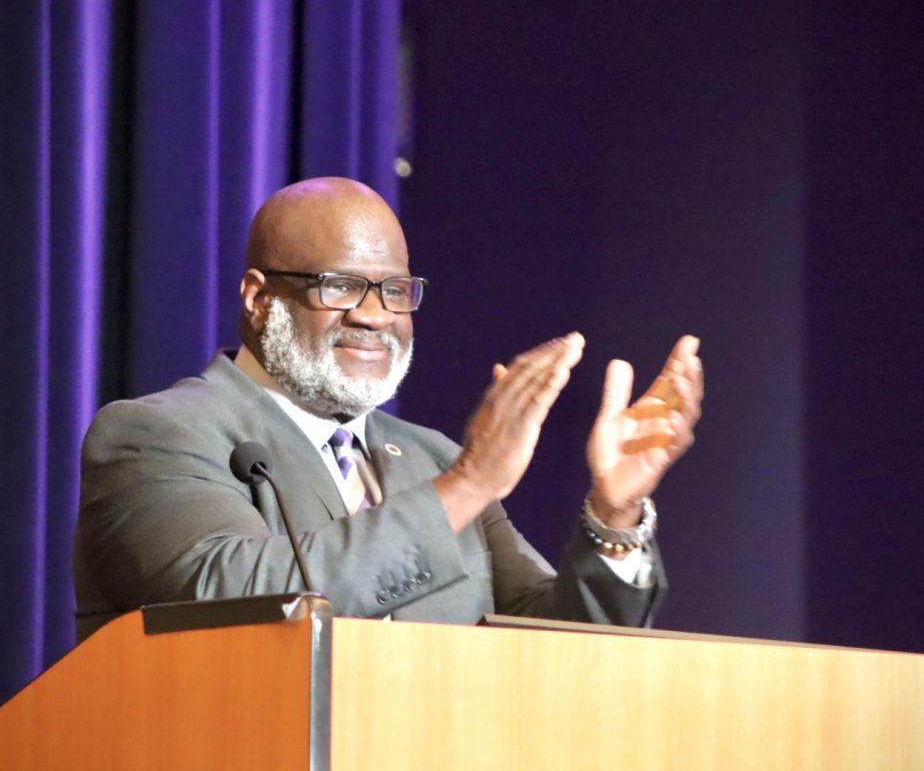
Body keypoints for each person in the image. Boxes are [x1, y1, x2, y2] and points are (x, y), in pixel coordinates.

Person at [73, 177, 703, 641]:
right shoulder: (155, 433)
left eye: (394, 291)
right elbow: (237, 600)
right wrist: (472, 481)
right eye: (340, 285)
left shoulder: (432, 459)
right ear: (260, 298)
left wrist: (613, 518)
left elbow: (552, 643)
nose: (374, 315)